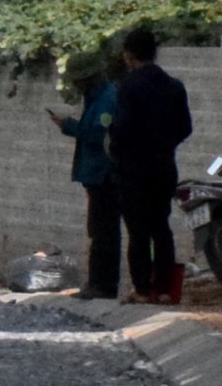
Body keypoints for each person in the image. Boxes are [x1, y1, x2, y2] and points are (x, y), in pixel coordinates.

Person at [110, 25, 192, 304]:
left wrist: (117, 151)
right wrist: (165, 144)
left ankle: (143, 289)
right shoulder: (174, 87)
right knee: (161, 226)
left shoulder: (129, 87)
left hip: (134, 169)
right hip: (164, 166)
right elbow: (185, 128)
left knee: (138, 231)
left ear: (130, 55)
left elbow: (120, 130)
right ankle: (166, 289)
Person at [48, 50, 122, 300]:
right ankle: (98, 283)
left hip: (104, 175)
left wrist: (69, 125)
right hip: (96, 175)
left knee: (104, 231)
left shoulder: (105, 99)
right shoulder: (97, 97)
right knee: (99, 230)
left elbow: (96, 135)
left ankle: (103, 285)